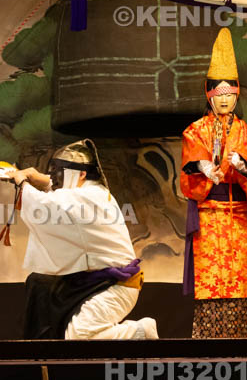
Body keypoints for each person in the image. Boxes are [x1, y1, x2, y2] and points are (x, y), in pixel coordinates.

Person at [10, 139, 159, 340]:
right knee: (41, 286)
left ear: (82, 174)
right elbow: (62, 195)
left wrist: (23, 183)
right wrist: (41, 181)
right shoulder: (89, 191)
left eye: (59, 173)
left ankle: (140, 332)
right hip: (97, 283)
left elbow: (48, 204)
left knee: (79, 337)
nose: (54, 178)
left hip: (116, 287)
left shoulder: (88, 197)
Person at [181, 27, 247, 338]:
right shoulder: (195, 131)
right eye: (219, 96)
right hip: (208, 216)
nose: (224, 101)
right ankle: (206, 341)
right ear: (209, 95)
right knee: (210, 284)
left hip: (237, 217)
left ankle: (240, 340)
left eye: (230, 95)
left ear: (237, 94)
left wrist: (241, 166)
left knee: (237, 280)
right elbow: (188, 170)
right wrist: (204, 167)